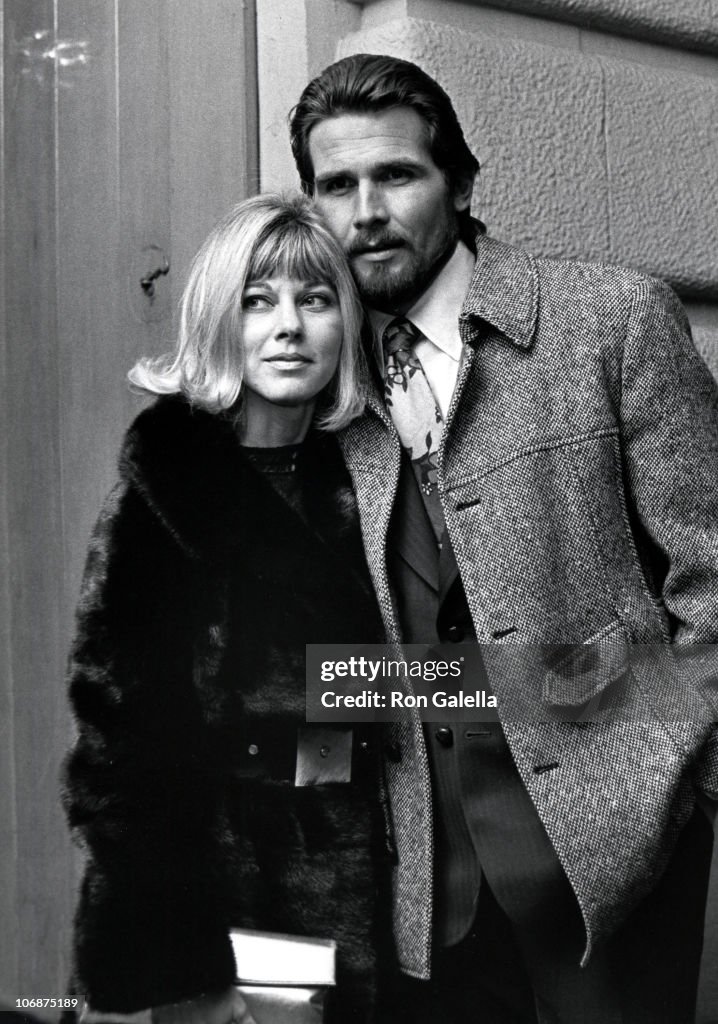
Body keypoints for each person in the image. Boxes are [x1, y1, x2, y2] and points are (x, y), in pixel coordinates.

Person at [288, 55, 718, 1022]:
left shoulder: (609, 322)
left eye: (396, 175)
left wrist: (674, 789)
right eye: (336, 185)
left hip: (611, 863)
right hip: (412, 882)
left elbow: (714, 583)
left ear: (463, 182)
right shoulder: (311, 373)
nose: (365, 211)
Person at [61, 193, 394, 1024]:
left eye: (315, 300)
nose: (289, 326)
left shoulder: (368, 486)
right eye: (258, 300)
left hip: (370, 870)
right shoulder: (161, 499)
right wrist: (187, 966)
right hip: (228, 891)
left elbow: (380, 692)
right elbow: (117, 742)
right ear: (219, 321)